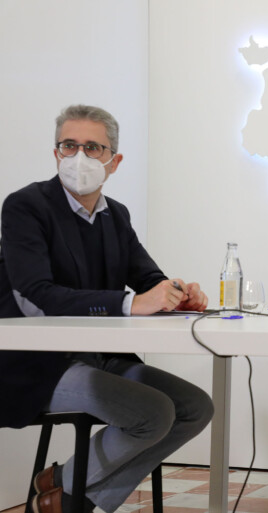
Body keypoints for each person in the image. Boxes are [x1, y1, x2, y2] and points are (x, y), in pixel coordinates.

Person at [0, 105, 214, 513]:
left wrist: (176, 293)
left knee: (195, 407)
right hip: (35, 363)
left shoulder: (116, 215)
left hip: (98, 356)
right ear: (56, 153)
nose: (79, 156)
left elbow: (148, 277)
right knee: (153, 412)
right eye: (69, 145)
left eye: (93, 147)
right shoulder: (26, 206)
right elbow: (38, 294)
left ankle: (62, 486)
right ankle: (70, 503)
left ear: (114, 162)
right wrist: (132, 302)